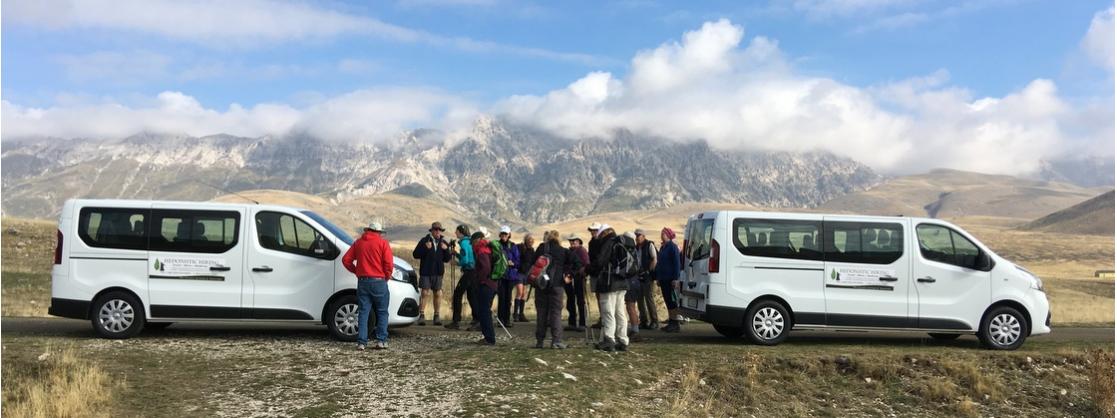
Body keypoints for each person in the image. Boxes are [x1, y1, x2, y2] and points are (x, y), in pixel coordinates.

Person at [341, 221, 394, 350]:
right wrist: (386, 277)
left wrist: (356, 271)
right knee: (382, 312)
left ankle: (361, 343)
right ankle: (381, 341)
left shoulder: (358, 243)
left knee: (364, 312)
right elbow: (388, 264)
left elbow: (346, 260)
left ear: (368, 230)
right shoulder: (383, 243)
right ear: (379, 232)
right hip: (379, 281)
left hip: (363, 281)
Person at [533, 230, 581, 349]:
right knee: (555, 313)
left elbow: (532, 263)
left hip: (541, 285)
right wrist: (569, 275)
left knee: (541, 312)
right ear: (558, 239)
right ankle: (556, 341)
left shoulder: (541, 249)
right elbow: (578, 263)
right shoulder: (563, 251)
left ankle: (540, 341)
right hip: (557, 284)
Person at [589, 227, 630, 352]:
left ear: (604, 233)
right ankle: (623, 340)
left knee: (608, 312)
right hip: (622, 282)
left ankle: (609, 340)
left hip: (609, 282)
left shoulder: (608, 242)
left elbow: (600, 261)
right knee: (620, 312)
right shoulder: (621, 242)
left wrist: (587, 269)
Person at [412, 222, 451, 326]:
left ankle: (437, 316)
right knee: (424, 293)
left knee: (438, 293)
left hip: (438, 273)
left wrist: (446, 250)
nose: (438, 231)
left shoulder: (444, 243)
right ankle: (421, 316)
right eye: (436, 229)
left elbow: (447, 259)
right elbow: (415, 254)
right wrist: (425, 248)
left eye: (440, 230)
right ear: (432, 230)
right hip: (426, 272)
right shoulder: (424, 241)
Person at [446, 225, 475, 330]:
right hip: (474, 272)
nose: (455, 233)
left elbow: (465, 260)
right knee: (471, 296)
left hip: (468, 272)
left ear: (461, 233)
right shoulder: (470, 242)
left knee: (458, 294)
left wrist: (456, 262)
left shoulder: (463, 243)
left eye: (457, 231)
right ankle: (476, 319)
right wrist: (457, 254)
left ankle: (456, 321)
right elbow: (467, 256)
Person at [471, 230, 497, 345]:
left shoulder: (482, 250)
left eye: (472, 242)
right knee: (485, 310)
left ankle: (489, 338)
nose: (472, 245)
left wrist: (480, 279)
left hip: (486, 284)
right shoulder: (487, 249)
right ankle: (488, 337)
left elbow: (485, 268)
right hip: (492, 284)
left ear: (477, 240)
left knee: (484, 311)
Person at [656, 227, 683, 333]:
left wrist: (675, 279)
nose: (662, 235)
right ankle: (671, 321)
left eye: (664, 234)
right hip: (663, 278)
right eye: (662, 233)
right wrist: (658, 277)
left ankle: (675, 322)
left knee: (672, 301)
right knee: (667, 300)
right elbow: (659, 264)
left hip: (670, 278)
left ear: (668, 235)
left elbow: (677, 263)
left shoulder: (672, 247)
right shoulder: (663, 247)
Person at [496, 226, 521, 327]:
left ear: (509, 235)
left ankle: (507, 320)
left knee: (508, 298)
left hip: (510, 276)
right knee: (501, 298)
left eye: (505, 234)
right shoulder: (496, 245)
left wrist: (513, 263)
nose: (504, 236)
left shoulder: (513, 246)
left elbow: (518, 261)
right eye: (502, 234)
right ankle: (500, 320)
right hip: (500, 275)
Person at [634, 229, 660, 330]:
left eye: (638, 235)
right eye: (636, 236)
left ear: (643, 236)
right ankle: (643, 321)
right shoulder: (636, 248)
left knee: (649, 298)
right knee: (639, 299)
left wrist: (649, 271)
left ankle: (654, 321)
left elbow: (654, 258)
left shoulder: (649, 245)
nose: (637, 237)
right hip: (638, 275)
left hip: (648, 276)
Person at [564, 234, 590, 331]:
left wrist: (579, 273)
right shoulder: (569, 251)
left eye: (574, 240)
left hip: (579, 278)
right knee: (570, 300)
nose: (572, 242)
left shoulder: (582, 251)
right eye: (571, 240)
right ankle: (572, 322)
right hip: (569, 278)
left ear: (579, 241)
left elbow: (586, 264)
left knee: (580, 300)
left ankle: (582, 323)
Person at [620, 231, 643, 340]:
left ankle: (635, 330)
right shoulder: (635, 250)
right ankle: (634, 328)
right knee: (631, 306)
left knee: (630, 306)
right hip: (635, 280)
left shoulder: (628, 251)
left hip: (630, 281)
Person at [586, 222, 605, 329]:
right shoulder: (591, 242)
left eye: (595, 230)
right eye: (592, 230)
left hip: (602, 273)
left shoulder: (603, 242)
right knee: (598, 296)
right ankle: (602, 318)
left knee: (604, 297)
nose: (593, 232)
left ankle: (605, 319)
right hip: (594, 272)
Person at [514, 233, 537, 322]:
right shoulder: (520, 248)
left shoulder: (532, 251)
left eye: (532, 240)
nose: (530, 241)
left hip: (527, 274)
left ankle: (521, 314)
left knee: (524, 294)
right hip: (519, 273)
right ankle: (515, 313)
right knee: (519, 292)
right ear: (526, 240)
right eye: (529, 239)